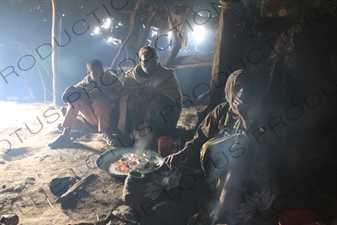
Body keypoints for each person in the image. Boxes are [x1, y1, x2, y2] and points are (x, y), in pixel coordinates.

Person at [117, 46, 182, 151]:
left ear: (157, 59)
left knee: (161, 105)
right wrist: (134, 95)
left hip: (159, 111)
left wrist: (150, 97)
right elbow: (125, 95)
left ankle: (159, 139)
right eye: (146, 61)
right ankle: (136, 140)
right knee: (130, 103)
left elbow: (174, 95)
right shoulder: (132, 77)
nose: (150, 64)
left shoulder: (166, 75)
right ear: (140, 60)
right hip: (138, 115)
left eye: (153, 60)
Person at [48, 59, 123, 149]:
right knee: (76, 100)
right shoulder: (86, 81)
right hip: (93, 118)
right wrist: (72, 92)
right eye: (95, 73)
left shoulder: (111, 78)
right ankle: (66, 134)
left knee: (99, 100)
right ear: (88, 73)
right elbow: (74, 90)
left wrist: (103, 92)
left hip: (111, 118)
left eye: (101, 72)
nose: (99, 76)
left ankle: (106, 132)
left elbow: (121, 94)